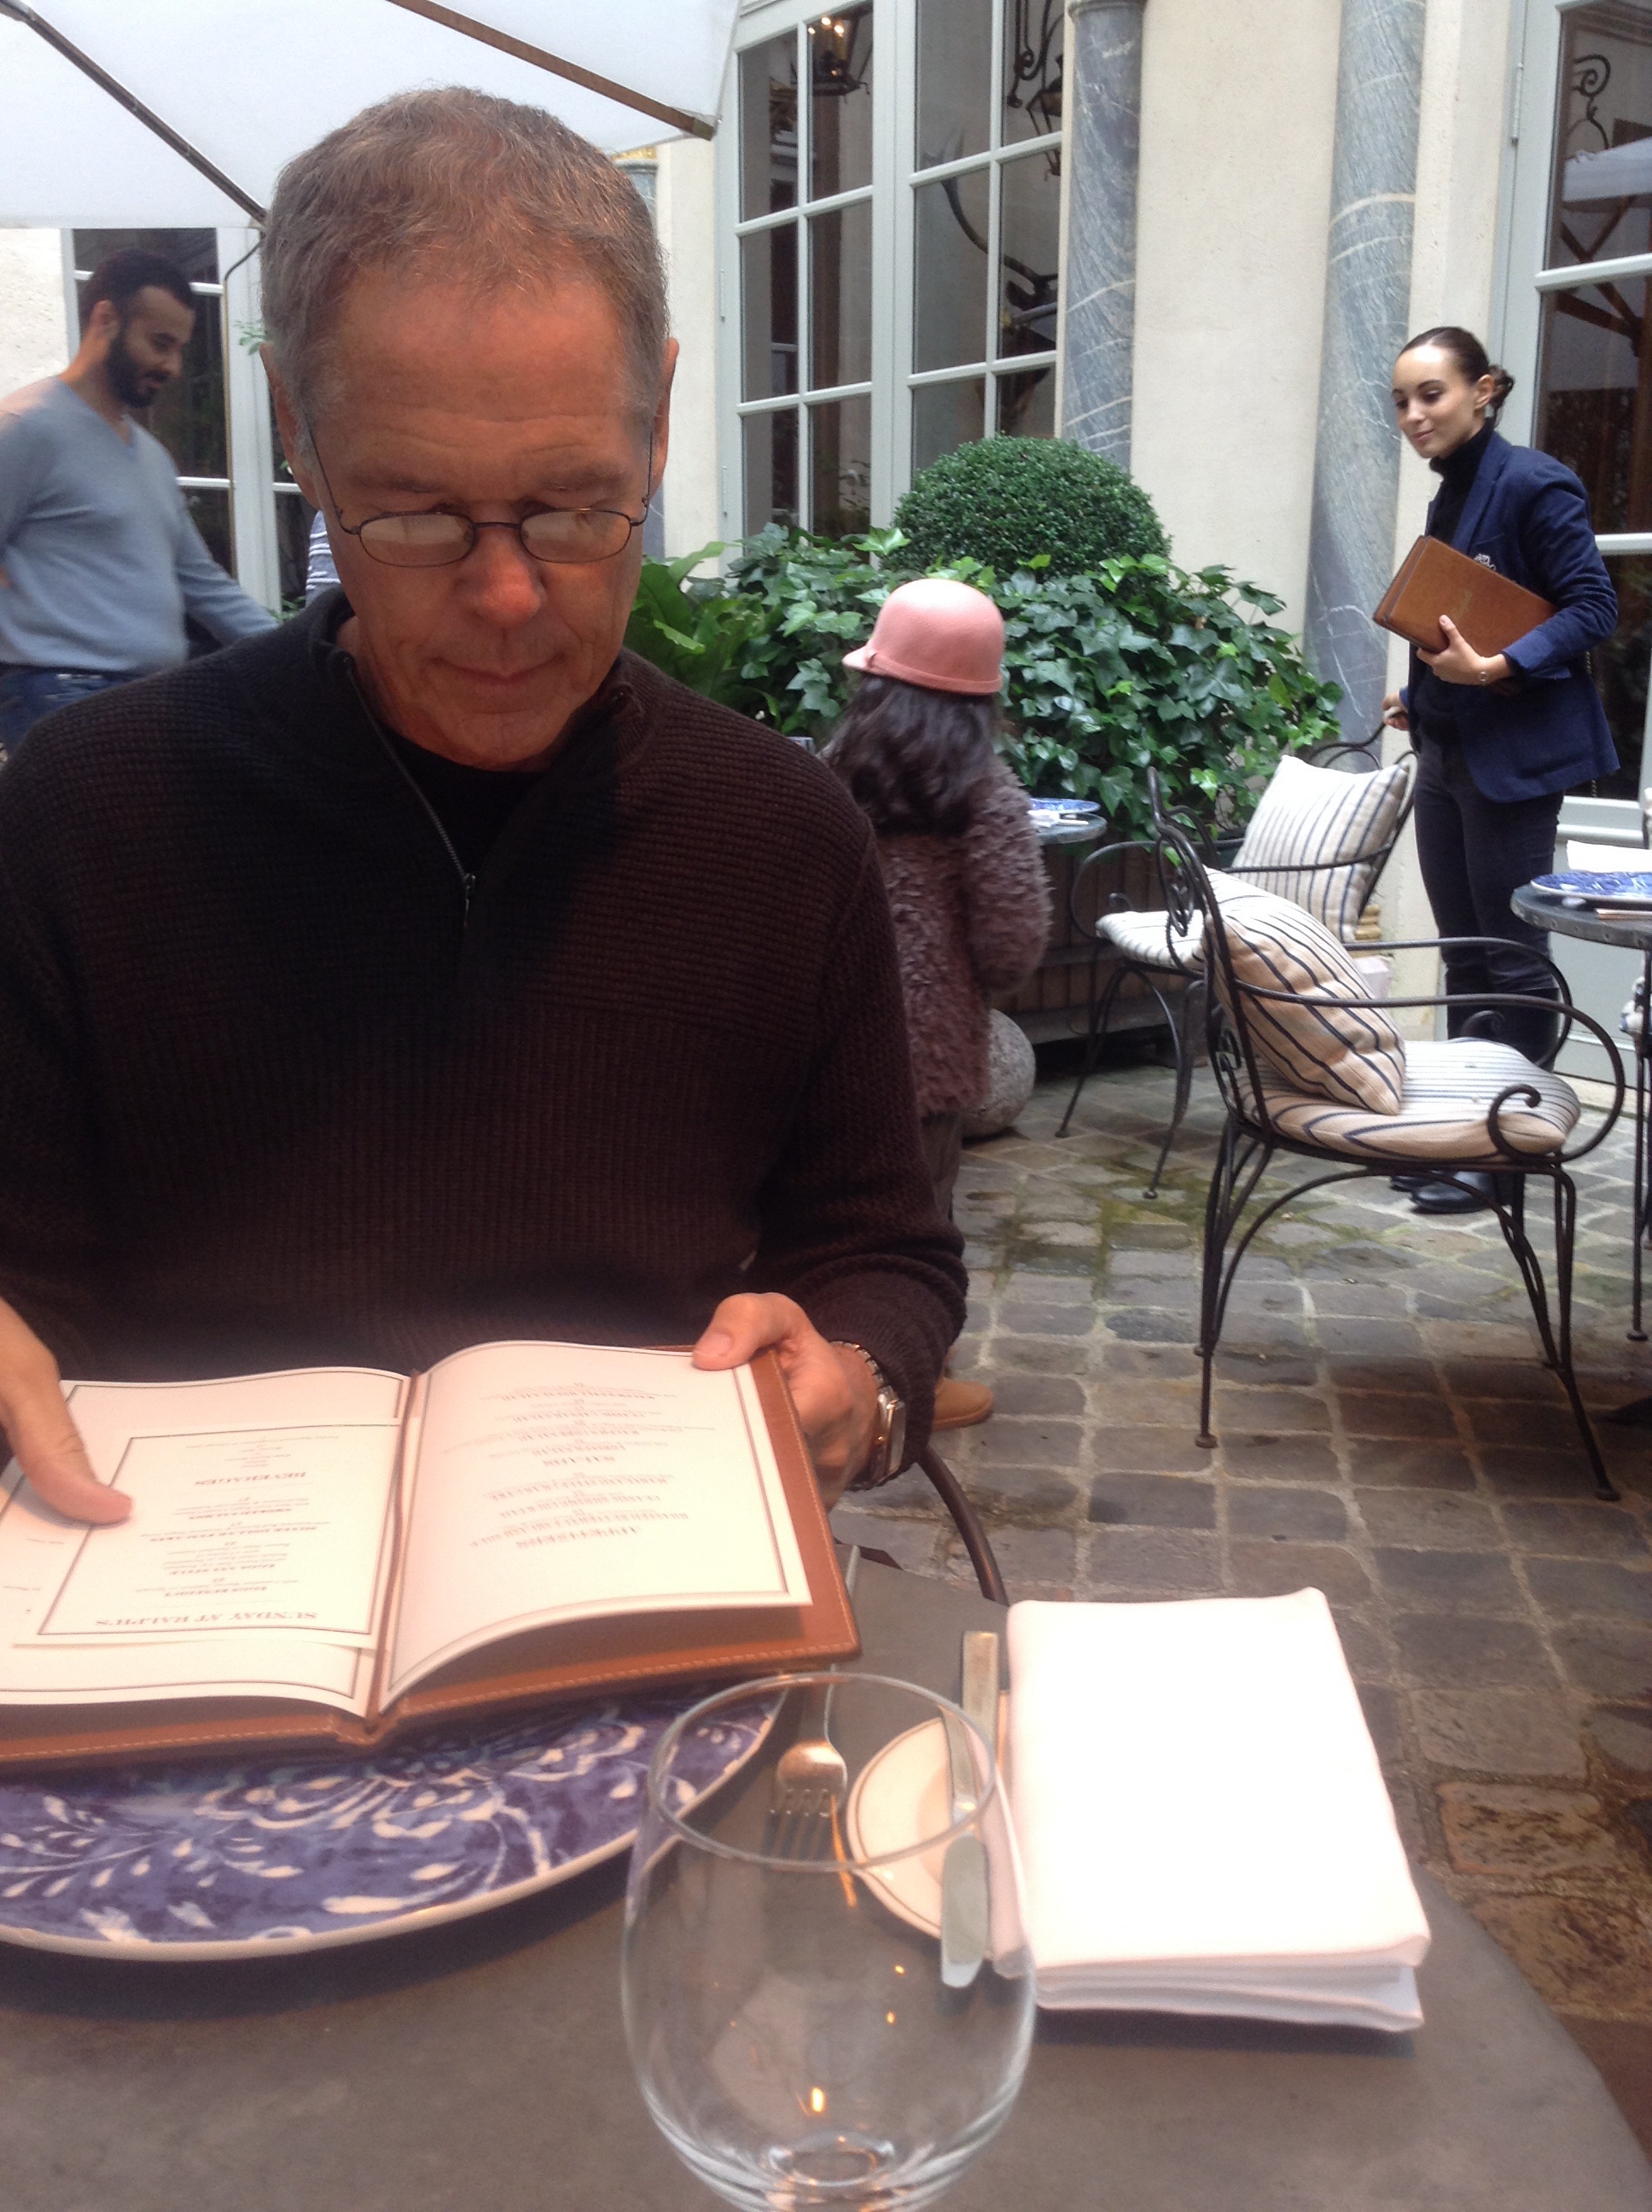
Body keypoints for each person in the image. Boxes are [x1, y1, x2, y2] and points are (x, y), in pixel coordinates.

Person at [0, 89, 965, 1526]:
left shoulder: (782, 835)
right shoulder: (82, 815)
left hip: (629, 1577)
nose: (509, 598)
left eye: (576, 508)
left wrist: (861, 1386)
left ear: (656, 422)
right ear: (299, 432)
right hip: (187, 1596)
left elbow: (883, 1253)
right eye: (417, 515)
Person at [1382, 324, 1618, 1214]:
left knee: (1512, 962)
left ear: (1482, 391)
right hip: (1447, 752)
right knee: (1465, 955)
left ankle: (1508, 1152)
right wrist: (1420, 698)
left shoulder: (1531, 481)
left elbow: (1592, 606)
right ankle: (1460, 1133)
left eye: (1431, 393)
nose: (1414, 414)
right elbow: (1457, 616)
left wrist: (1498, 667)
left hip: (1513, 761)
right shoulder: (1451, 492)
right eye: (1401, 401)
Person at [825, 579, 1050, 1428]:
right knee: (917, 1228)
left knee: (822, 1211)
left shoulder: (829, 774)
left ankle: (809, 1360)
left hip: (826, 1043)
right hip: (927, 1059)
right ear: (981, 700)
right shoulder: (986, 796)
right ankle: (909, 1385)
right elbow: (1011, 941)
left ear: (873, 683)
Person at [0, 247, 276, 758]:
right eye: (159, 343)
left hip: (149, 698)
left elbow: (204, 583)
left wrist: (299, 650)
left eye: (179, 349)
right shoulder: (24, 427)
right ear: (105, 319)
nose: (172, 366)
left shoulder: (152, 458)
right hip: (62, 697)